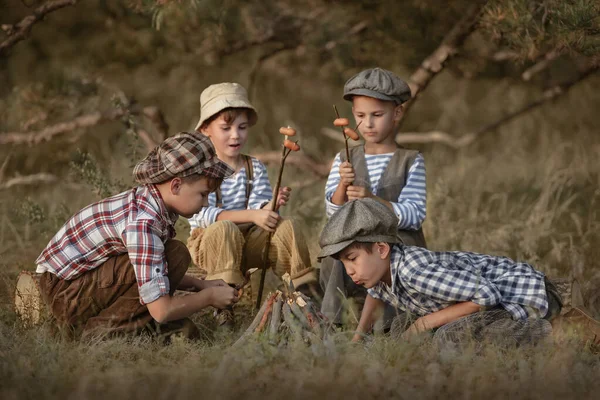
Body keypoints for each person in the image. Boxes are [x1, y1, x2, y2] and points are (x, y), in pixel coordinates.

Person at [35, 132, 240, 340]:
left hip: (74, 284)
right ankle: (95, 333)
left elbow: (150, 267)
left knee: (174, 255)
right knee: (175, 257)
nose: (205, 203)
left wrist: (201, 285)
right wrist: (209, 297)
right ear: (176, 185)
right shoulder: (144, 223)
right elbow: (162, 311)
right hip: (64, 294)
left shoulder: (150, 201)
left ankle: (132, 324)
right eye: (203, 194)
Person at [318, 198, 562, 344]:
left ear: (381, 249)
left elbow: (487, 295)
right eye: (344, 263)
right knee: (402, 326)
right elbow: (376, 295)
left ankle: (556, 334)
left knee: (451, 336)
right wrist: (358, 338)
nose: (349, 271)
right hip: (479, 301)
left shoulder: (414, 272)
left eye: (353, 259)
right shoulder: (380, 273)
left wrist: (425, 322)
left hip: (521, 296)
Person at [187, 82, 317, 327]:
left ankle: (304, 293)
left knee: (286, 225)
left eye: (242, 127)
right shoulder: (202, 169)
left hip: (250, 241)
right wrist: (253, 214)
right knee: (223, 229)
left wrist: (270, 206)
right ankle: (223, 306)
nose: (235, 135)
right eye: (226, 128)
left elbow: (260, 209)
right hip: (214, 244)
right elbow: (201, 215)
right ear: (206, 129)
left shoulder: (253, 166)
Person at [321, 67, 427, 326]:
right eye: (360, 115)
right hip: (357, 245)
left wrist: (373, 200)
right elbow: (333, 215)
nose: (367, 123)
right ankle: (333, 319)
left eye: (377, 115)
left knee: (390, 260)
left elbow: (415, 215)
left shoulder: (410, 160)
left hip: (397, 241)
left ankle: (393, 322)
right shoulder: (345, 158)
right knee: (337, 253)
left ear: (397, 113)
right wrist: (341, 188)